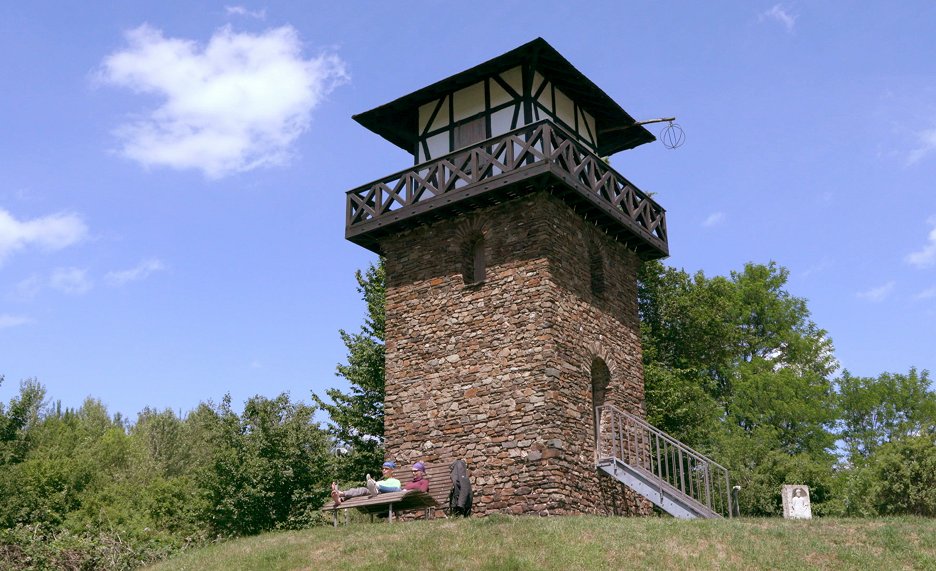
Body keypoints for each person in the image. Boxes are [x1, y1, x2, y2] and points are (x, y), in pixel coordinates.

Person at [331, 461, 402, 505]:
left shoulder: (395, 481)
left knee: (372, 487)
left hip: (384, 495)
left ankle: (375, 488)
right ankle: (340, 496)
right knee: (361, 490)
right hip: (374, 493)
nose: (383, 470)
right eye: (383, 469)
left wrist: (379, 486)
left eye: (386, 469)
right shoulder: (381, 481)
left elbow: (396, 490)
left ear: (392, 471)